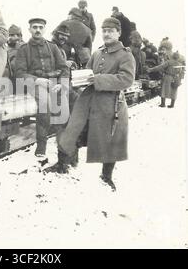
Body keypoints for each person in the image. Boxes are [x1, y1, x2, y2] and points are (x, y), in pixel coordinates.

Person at [57, 17, 135, 190]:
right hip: (88, 99)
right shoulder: (97, 53)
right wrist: (78, 78)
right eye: (104, 30)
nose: (106, 34)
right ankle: (62, 164)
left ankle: (106, 176)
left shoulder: (125, 55)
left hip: (110, 103)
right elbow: (88, 72)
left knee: (111, 140)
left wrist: (98, 79)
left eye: (110, 31)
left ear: (118, 33)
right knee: (72, 128)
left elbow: (127, 79)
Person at [15, 18, 70, 171]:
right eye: (34, 27)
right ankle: (41, 147)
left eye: (40, 27)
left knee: (67, 104)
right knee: (44, 104)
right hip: (34, 84)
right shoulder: (23, 49)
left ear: (45, 29)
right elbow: (19, 73)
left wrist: (61, 84)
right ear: (29, 30)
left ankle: (66, 151)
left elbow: (64, 68)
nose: (37, 30)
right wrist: (37, 80)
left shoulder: (52, 48)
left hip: (54, 83)